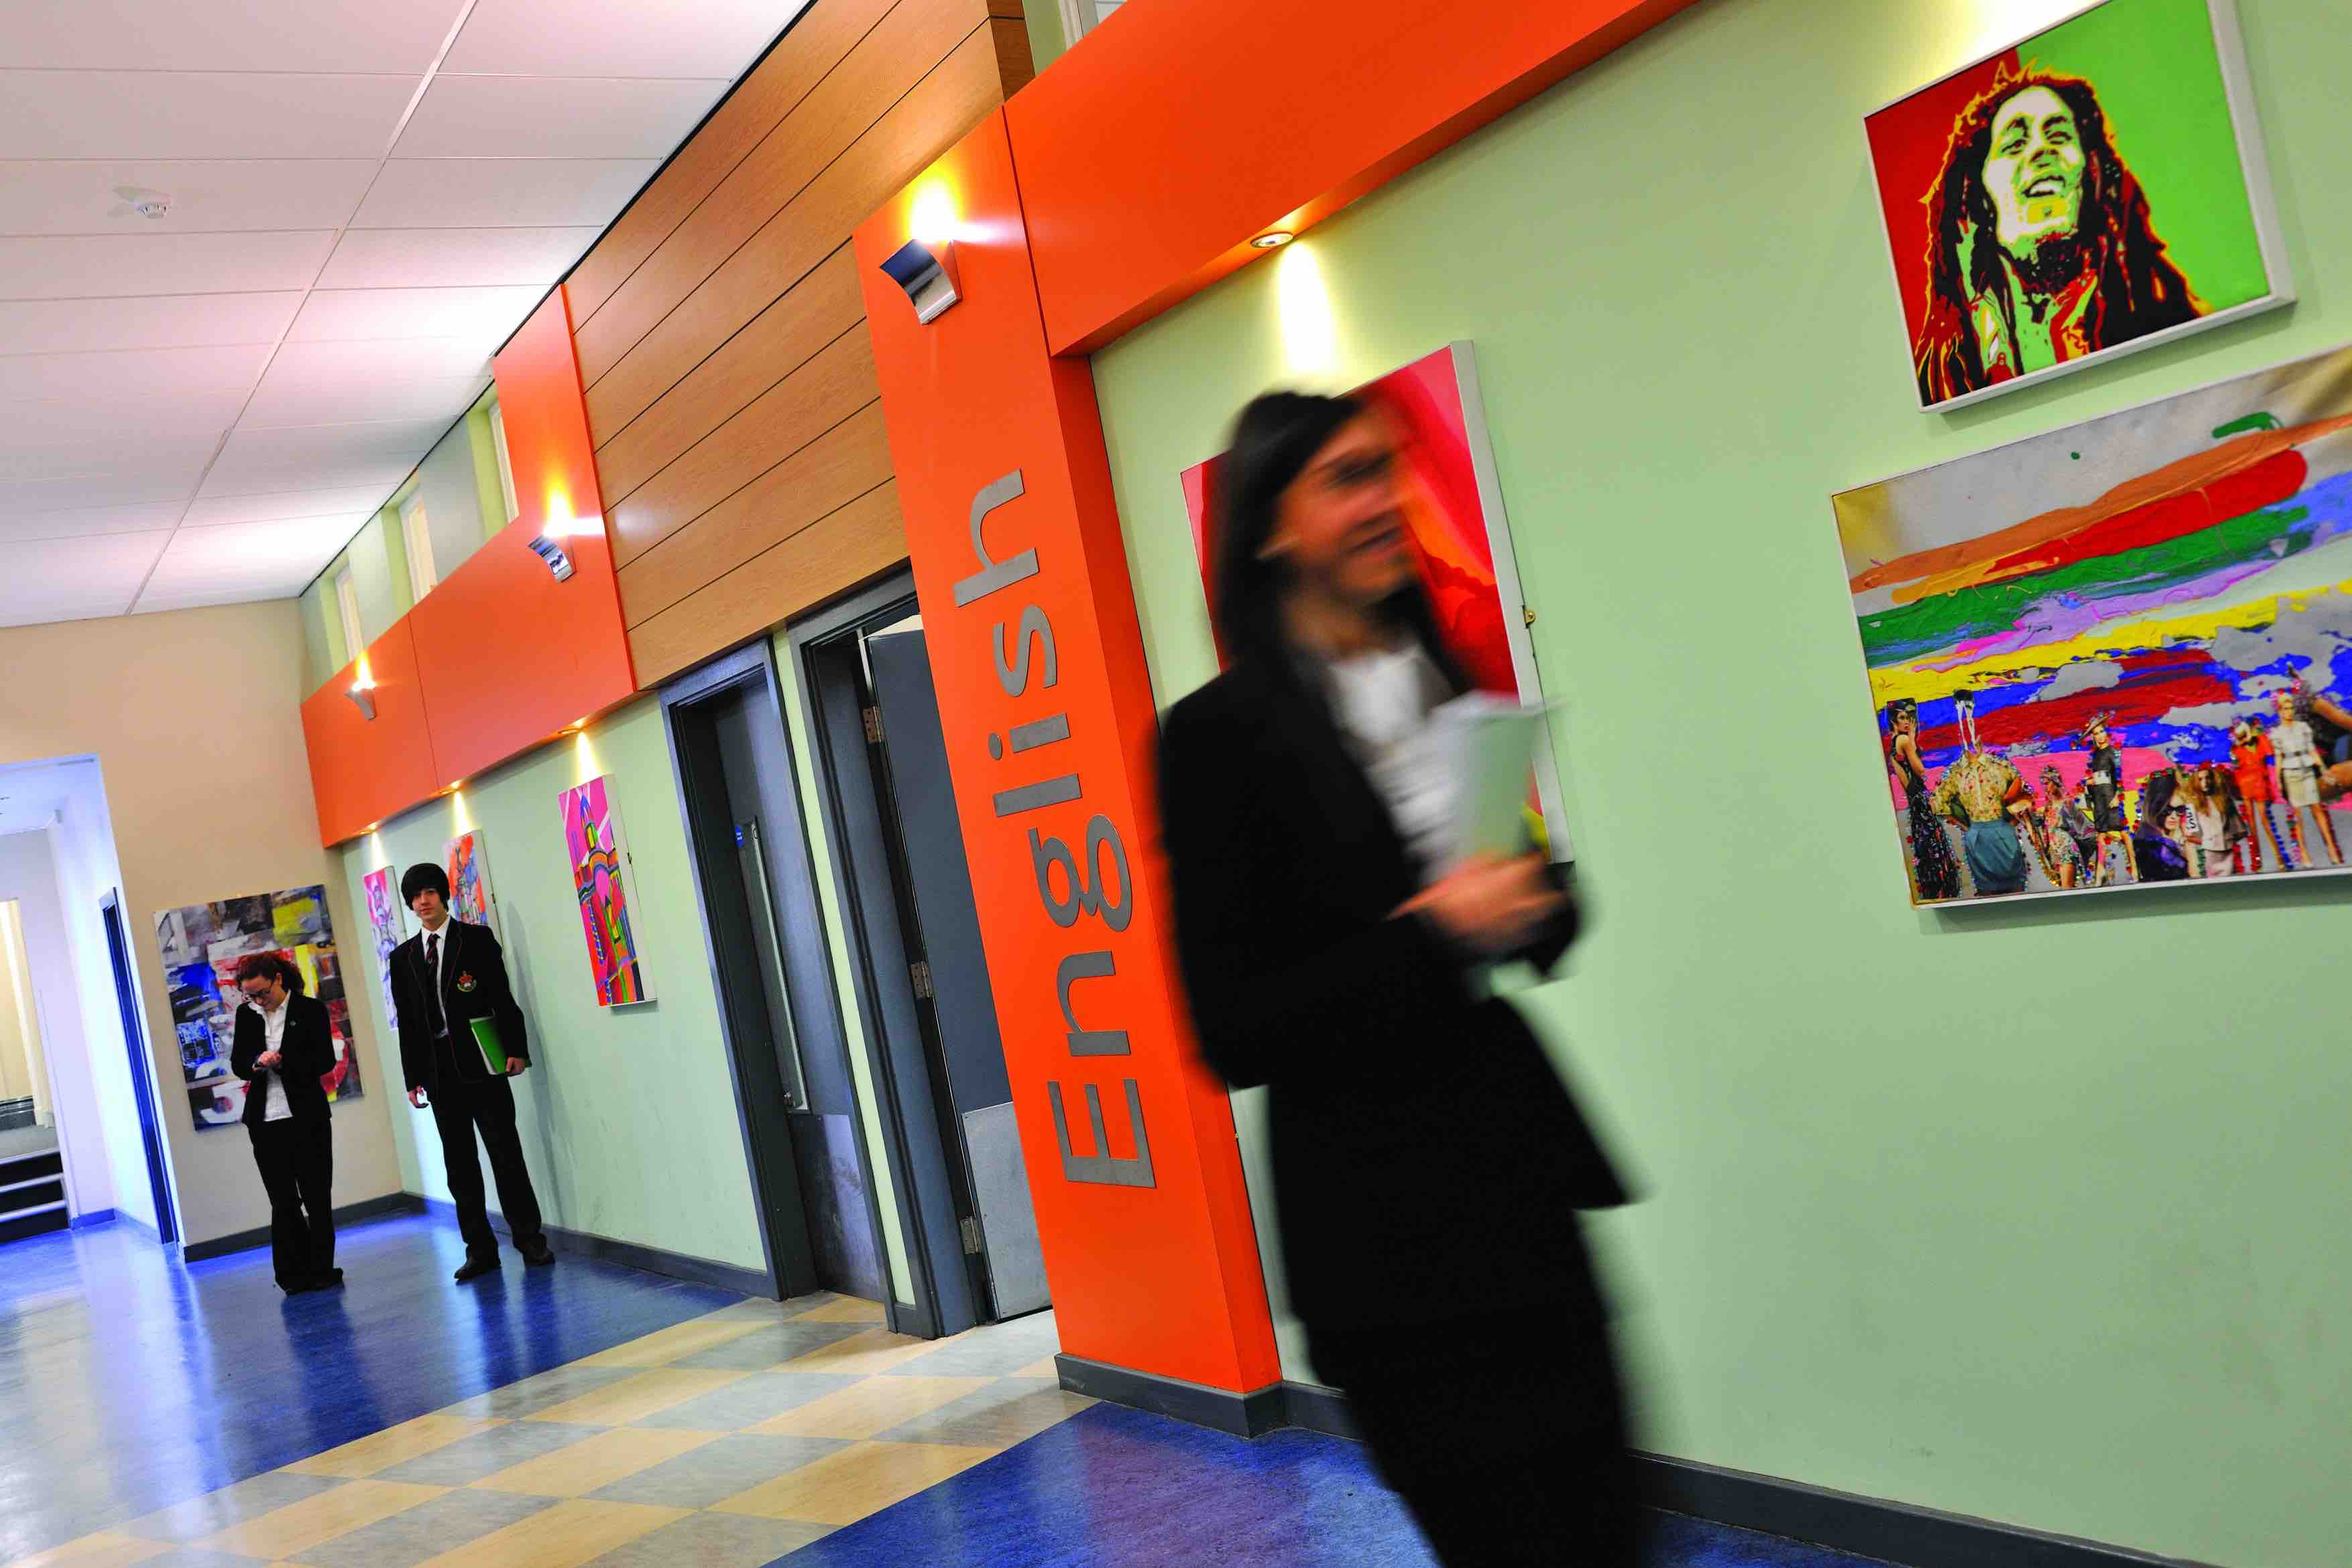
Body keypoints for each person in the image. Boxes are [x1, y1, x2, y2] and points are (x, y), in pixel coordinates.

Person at [1157, 391, 1635, 1567]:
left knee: (1609, 1533)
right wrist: (1435, 931)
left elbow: (1524, 888)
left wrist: (1538, 901)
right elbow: (1232, 1026)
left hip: (1525, 1192)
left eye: (1388, 471)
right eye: (1348, 478)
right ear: (1272, 525)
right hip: (1385, 1243)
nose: (1385, 501)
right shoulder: (1216, 737)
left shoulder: (1443, 677)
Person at [1914, 71, 2203, 404]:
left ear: (2090, 173)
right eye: (2015, 143)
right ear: (1978, 198)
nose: (2042, 150)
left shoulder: (2160, 307)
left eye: (2059, 135)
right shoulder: (1949, 368)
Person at [390, 864, 554, 1281]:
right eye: (416, 896)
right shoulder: (403, 957)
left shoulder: (476, 939)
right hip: (438, 1073)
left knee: (506, 1155)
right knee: (460, 1166)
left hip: (483, 1063)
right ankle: (480, 1251)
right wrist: (412, 1078)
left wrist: (516, 1050)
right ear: (410, 903)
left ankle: (529, 1240)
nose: (423, 901)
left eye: (430, 892)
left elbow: (502, 996)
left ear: (443, 896)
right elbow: (408, 1024)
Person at [229, 953, 343, 1295]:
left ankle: (322, 1270)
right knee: (282, 1201)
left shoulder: (310, 1010)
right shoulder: (246, 1015)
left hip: (307, 1118)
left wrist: (282, 1063)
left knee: (317, 1197)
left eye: (262, 993)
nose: (258, 1001)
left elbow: (324, 1060)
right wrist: (256, 1063)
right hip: (265, 1122)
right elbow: (238, 1064)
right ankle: (292, 1275)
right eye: (251, 996)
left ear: (278, 979)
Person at [1887, 699, 1960, 900]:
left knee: (1925, 847)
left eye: (1909, 718)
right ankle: (1944, 888)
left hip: (1914, 801)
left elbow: (1904, 780)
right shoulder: (1903, 740)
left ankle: (1934, 888)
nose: (1907, 722)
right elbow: (1920, 770)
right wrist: (1912, 741)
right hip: (1921, 800)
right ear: (1893, 721)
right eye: (1903, 717)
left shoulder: (1893, 744)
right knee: (1934, 845)